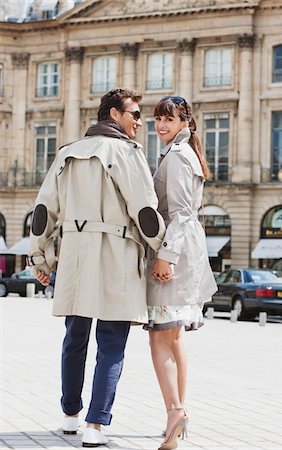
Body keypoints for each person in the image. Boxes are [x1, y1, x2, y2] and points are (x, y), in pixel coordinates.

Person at [28, 88, 165, 448]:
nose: (139, 121)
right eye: (134, 113)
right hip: (117, 256)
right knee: (111, 344)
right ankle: (95, 425)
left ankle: (70, 416)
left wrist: (39, 258)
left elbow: (43, 211)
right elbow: (145, 211)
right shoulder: (128, 153)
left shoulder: (66, 153)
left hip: (75, 255)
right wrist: (163, 253)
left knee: (74, 339)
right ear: (114, 114)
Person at [144, 96, 218, 450]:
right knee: (174, 338)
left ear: (185, 122)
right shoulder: (185, 153)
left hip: (174, 255)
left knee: (159, 337)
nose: (161, 126)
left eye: (168, 120)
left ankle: (174, 411)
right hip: (186, 252)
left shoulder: (176, 157)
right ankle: (176, 412)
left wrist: (166, 256)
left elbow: (181, 213)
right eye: (158, 119)